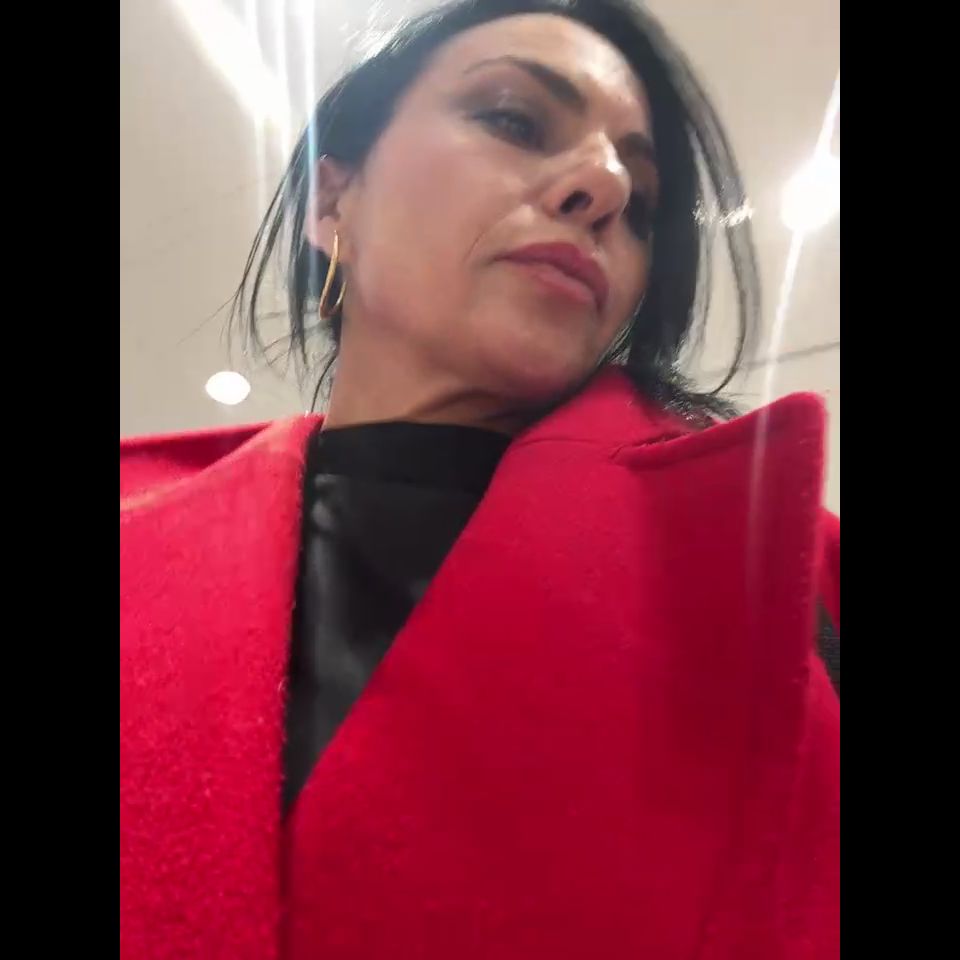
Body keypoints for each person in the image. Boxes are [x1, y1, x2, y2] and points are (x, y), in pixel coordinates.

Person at [119, 1, 839, 957]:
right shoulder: (139, 541)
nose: (603, 184)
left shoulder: (791, 579)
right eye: (512, 118)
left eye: (643, 200)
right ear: (333, 204)